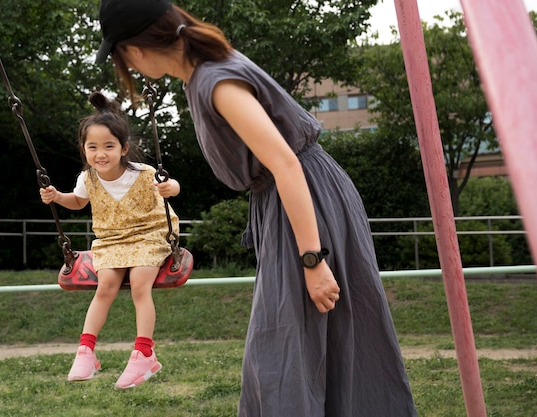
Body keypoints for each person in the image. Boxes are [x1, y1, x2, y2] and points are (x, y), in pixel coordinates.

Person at [94, 0, 417, 414]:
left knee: (284, 353)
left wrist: (312, 259)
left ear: (134, 50)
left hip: (301, 202)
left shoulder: (216, 80)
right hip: (292, 200)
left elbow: (285, 163)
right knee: (308, 345)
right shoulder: (204, 73)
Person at [39, 90, 180, 390]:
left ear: (123, 148)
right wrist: (56, 197)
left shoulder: (143, 173)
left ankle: (144, 353)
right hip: (112, 240)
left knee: (140, 284)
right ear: (84, 148)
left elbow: (171, 185)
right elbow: (77, 202)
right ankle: (86, 351)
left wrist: (171, 189)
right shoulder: (87, 178)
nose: (100, 153)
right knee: (105, 287)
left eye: (108, 146)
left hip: (148, 234)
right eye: (92, 147)